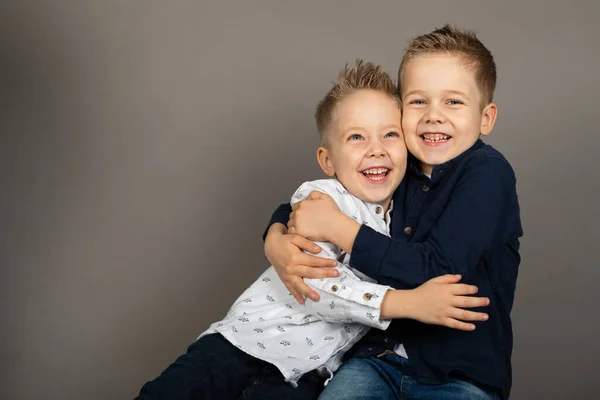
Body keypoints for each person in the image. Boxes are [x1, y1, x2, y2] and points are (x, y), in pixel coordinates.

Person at [136, 59, 489, 400]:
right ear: (327, 160)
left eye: (390, 135)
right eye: (356, 138)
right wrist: (406, 303)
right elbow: (318, 286)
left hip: (309, 374)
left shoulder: (404, 222)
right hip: (242, 344)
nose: (376, 150)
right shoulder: (319, 200)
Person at [264, 25, 523, 400]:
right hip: (374, 360)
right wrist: (275, 236)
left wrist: (343, 230)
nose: (434, 116)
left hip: (460, 373)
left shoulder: (488, 173)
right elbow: (319, 201)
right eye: (418, 102)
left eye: (453, 102)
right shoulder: (395, 166)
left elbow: (439, 267)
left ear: (486, 118)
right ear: (400, 109)